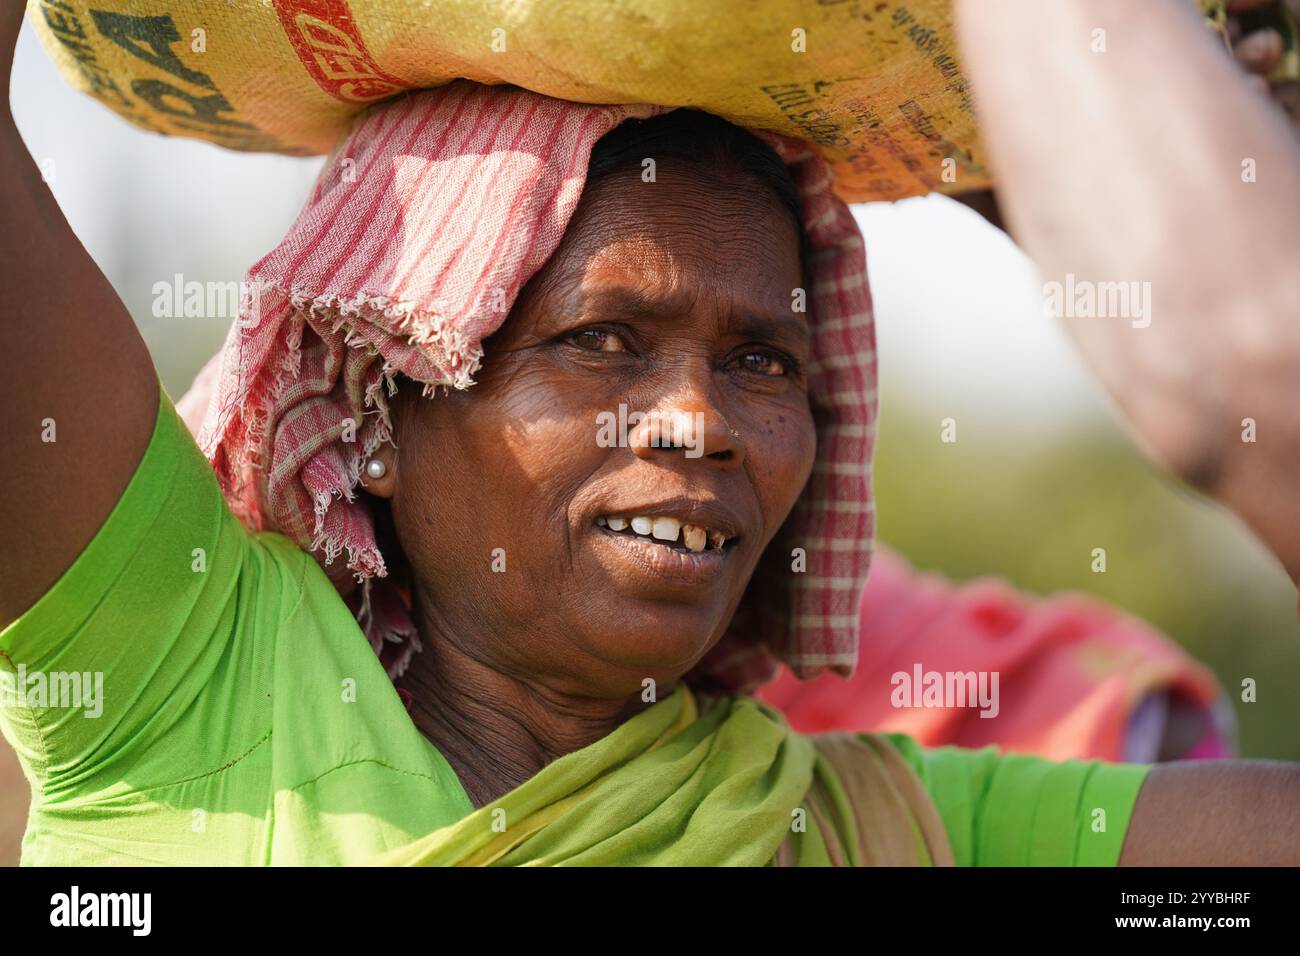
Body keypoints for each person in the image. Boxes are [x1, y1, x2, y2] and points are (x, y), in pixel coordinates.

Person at [0, 0, 1297, 866]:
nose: (704, 422)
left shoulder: (860, 829)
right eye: (600, 342)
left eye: (764, 362)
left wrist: (1054, 178)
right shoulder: (176, 661)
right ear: (380, 405)